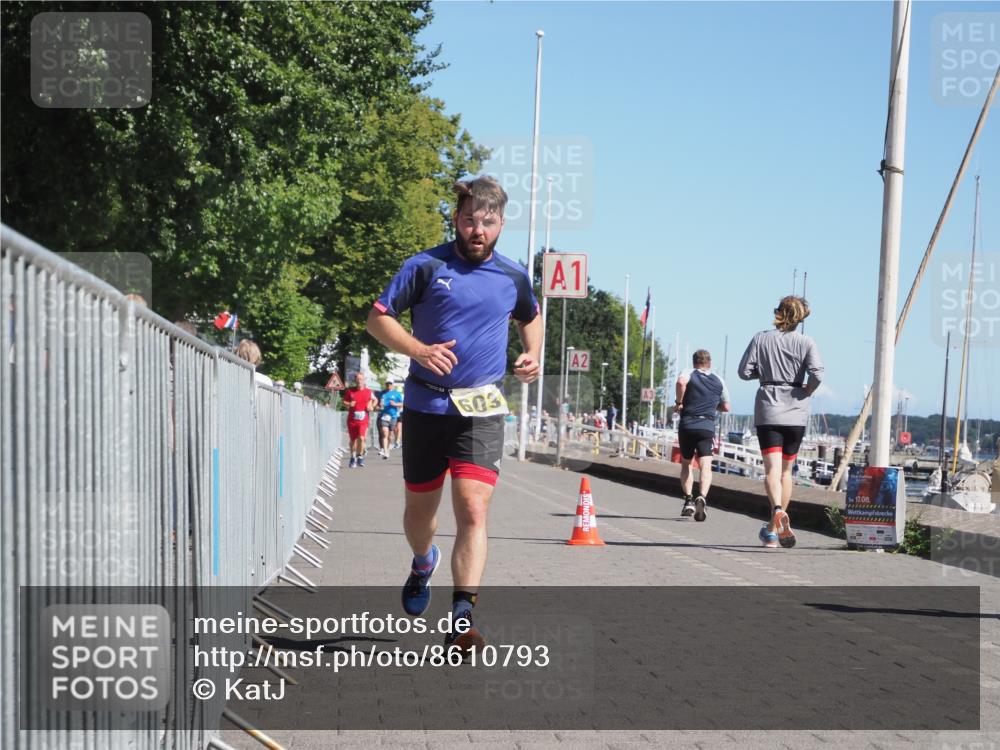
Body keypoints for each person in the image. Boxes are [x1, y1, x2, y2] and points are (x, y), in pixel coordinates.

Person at [366, 176, 541, 654]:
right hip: (425, 403)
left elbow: (531, 315)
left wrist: (532, 354)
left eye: (487, 222)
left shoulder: (513, 275)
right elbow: (378, 318)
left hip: (481, 408)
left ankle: (463, 617)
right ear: (456, 220)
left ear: (501, 224)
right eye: (468, 220)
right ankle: (424, 562)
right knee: (419, 515)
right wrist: (419, 350)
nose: (477, 230)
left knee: (474, 509)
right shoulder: (424, 266)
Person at [738, 295, 824, 548]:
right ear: (800, 318)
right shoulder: (806, 342)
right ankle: (772, 529)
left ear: (777, 313)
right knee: (787, 472)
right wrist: (808, 389)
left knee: (771, 471)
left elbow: (743, 372)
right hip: (796, 409)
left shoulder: (761, 338)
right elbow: (818, 373)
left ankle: (776, 512)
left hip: (769, 408)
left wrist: (763, 373)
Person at [674, 349, 730, 522]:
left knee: (686, 464)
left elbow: (681, 383)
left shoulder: (688, 372)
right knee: (706, 465)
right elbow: (726, 407)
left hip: (688, 424)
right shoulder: (719, 380)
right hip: (707, 425)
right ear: (710, 363)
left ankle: (689, 500)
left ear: (694, 362)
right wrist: (713, 406)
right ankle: (702, 497)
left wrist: (679, 402)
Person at [343, 372, 377, 468]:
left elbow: (375, 400)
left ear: (364, 380)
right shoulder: (350, 391)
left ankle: (360, 456)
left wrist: (371, 406)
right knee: (353, 440)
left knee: (362, 438)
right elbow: (344, 402)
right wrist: (349, 404)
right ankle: (353, 457)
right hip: (352, 419)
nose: (359, 381)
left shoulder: (368, 392)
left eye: (361, 379)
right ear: (355, 380)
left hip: (363, 419)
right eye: (358, 379)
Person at [378, 380, 404, 459]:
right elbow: (378, 403)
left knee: (390, 435)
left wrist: (395, 404)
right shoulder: (382, 393)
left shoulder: (397, 394)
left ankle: (388, 449)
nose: (388, 385)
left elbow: (403, 403)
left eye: (390, 384)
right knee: (385, 432)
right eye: (387, 384)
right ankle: (385, 451)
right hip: (384, 415)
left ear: (393, 385)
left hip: (393, 416)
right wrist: (379, 406)